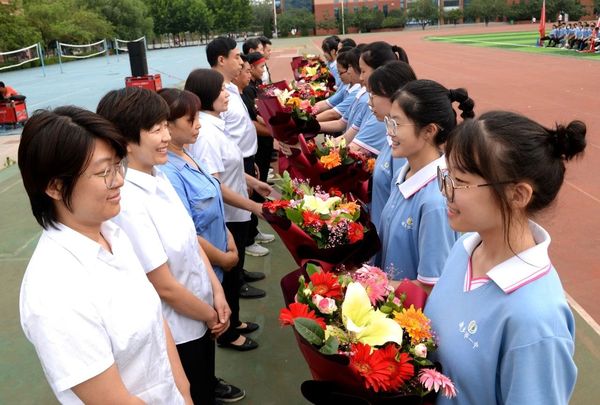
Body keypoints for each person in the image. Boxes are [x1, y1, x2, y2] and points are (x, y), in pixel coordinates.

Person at [18, 106, 191, 404]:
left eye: (117, 166)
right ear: (55, 187)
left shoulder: (112, 235)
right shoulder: (54, 291)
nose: (119, 180)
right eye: (103, 172)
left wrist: (183, 391)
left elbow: (156, 320)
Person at [425, 111, 585, 404]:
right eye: (446, 175)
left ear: (518, 195)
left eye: (459, 181)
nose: (445, 191)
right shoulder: (464, 250)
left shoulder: (535, 319)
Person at [97, 87, 241, 404]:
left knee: (203, 384)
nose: (166, 136)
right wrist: (211, 315)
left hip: (201, 314)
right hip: (179, 333)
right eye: (155, 129)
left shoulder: (159, 176)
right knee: (193, 391)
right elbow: (163, 285)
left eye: (165, 125)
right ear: (125, 140)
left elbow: (191, 242)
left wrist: (217, 292)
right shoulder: (128, 201)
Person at [158, 87, 261, 355]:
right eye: (190, 119)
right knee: (206, 330)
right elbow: (188, 230)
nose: (198, 124)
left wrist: (228, 238)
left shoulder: (186, 153)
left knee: (220, 315)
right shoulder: (169, 172)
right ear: (167, 125)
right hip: (207, 261)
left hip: (218, 251)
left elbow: (212, 198)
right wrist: (223, 257)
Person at [377, 79, 475, 293]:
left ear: (429, 131)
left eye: (397, 124)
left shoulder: (436, 201)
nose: (389, 131)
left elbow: (432, 288)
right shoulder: (405, 174)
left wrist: (369, 285)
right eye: (389, 122)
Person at [185, 69, 272, 301]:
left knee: (236, 263)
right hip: (229, 214)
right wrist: (253, 206)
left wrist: (252, 181)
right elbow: (213, 184)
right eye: (221, 90)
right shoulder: (206, 135)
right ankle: (233, 320)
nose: (227, 95)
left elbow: (225, 163)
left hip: (236, 206)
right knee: (230, 277)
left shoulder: (215, 124)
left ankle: (239, 284)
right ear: (207, 95)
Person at [206, 37, 275, 258]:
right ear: (221, 60)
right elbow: (223, 135)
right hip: (230, 164)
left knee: (243, 211)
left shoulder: (231, 89)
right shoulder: (215, 94)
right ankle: (241, 253)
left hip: (242, 158)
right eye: (236, 57)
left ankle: (245, 247)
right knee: (234, 215)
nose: (241, 61)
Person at [367, 61, 417, 231]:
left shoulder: (404, 148)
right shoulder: (391, 137)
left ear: (394, 96)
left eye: (373, 94)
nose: (370, 102)